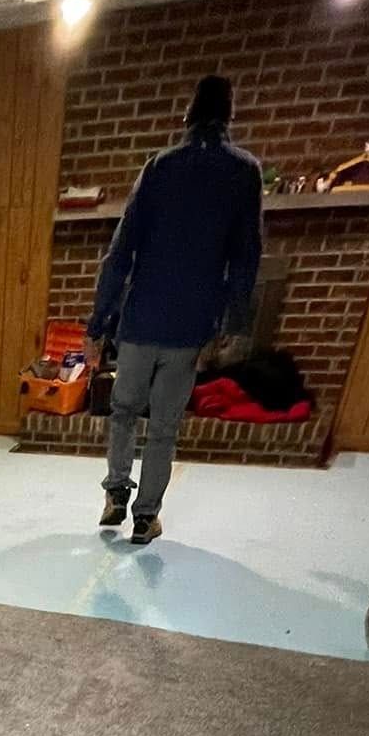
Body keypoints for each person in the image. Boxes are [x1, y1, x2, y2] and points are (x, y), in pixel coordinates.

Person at [84, 75, 263, 546]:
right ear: (229, 116)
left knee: (123, 411)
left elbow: (120, 252)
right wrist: (232, 323)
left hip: (140, 321)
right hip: (190, 328)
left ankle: (116, 494)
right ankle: (145, 518)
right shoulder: (244, 172)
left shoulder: (160, 167)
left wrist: (99, 322)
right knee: (163, 427)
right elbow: (246, 256)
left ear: (187, 115)